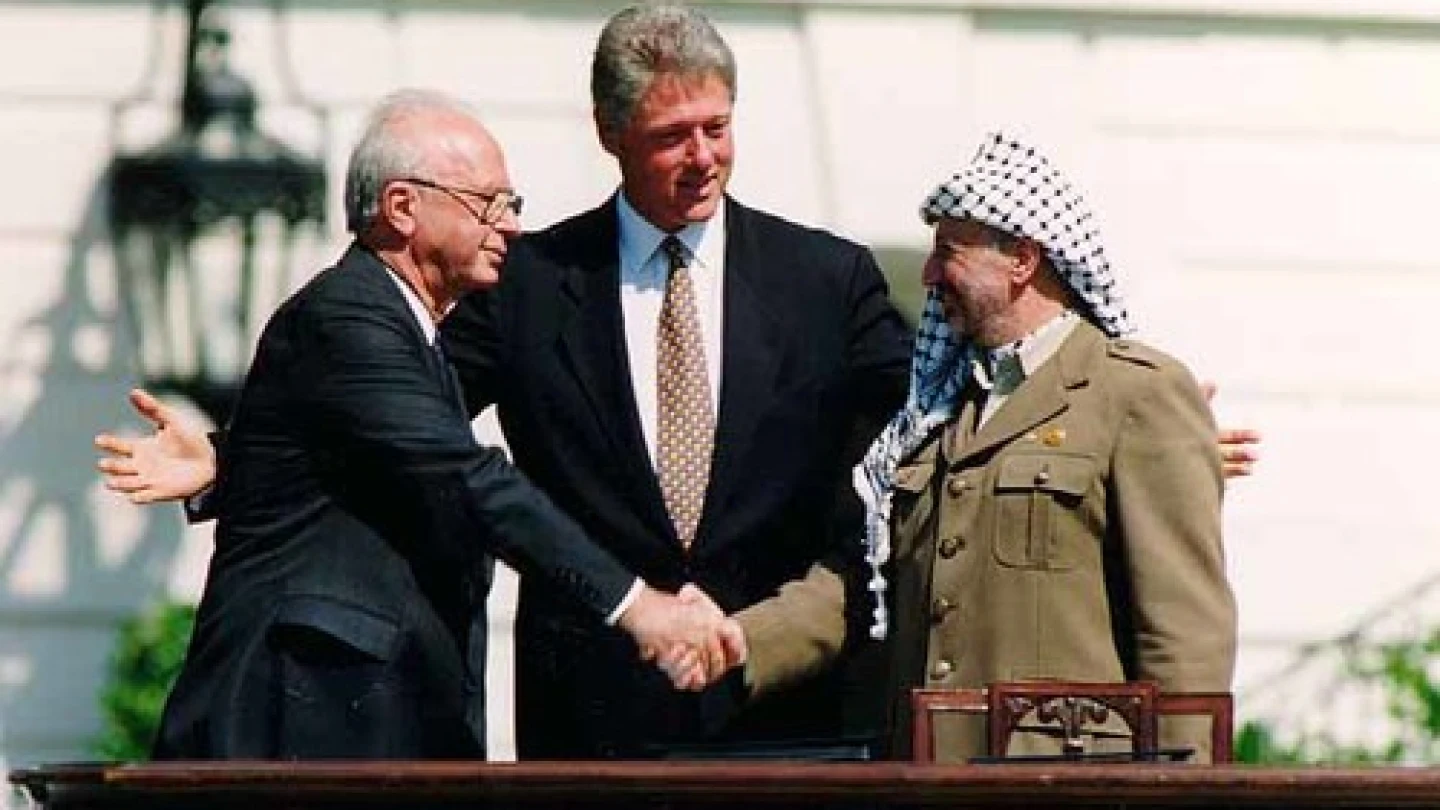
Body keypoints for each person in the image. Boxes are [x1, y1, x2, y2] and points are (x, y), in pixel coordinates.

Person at [98, 4, 1258, 760]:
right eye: (671, 137)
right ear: (613, 136)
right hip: (591, 726)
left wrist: (1123, 417)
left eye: (717, 128)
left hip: (786, 716)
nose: (701, 156)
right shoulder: (529, 280)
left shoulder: (829, 277)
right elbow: (409, 436)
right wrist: (235, 458)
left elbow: (939, 406)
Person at [131, 89, 734, 760]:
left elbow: (346, 464)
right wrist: (637, 607)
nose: (509, 226)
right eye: (488, 204)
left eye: (513, 205)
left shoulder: (417, 338)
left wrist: (226, 461)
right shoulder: (347, 318)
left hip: (381, 728)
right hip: (304, 730)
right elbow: (464, 477)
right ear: (402, 208)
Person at [725, 131, 1238, 763]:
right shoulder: (932, 412)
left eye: (949, 253)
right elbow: (866, 582)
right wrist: (734, 642)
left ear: (1022, 260)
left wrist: (1185, 794)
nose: (929, 274)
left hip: (1069, 788)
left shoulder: (1134, 394)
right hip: (923, 782)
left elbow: (1185, 638)